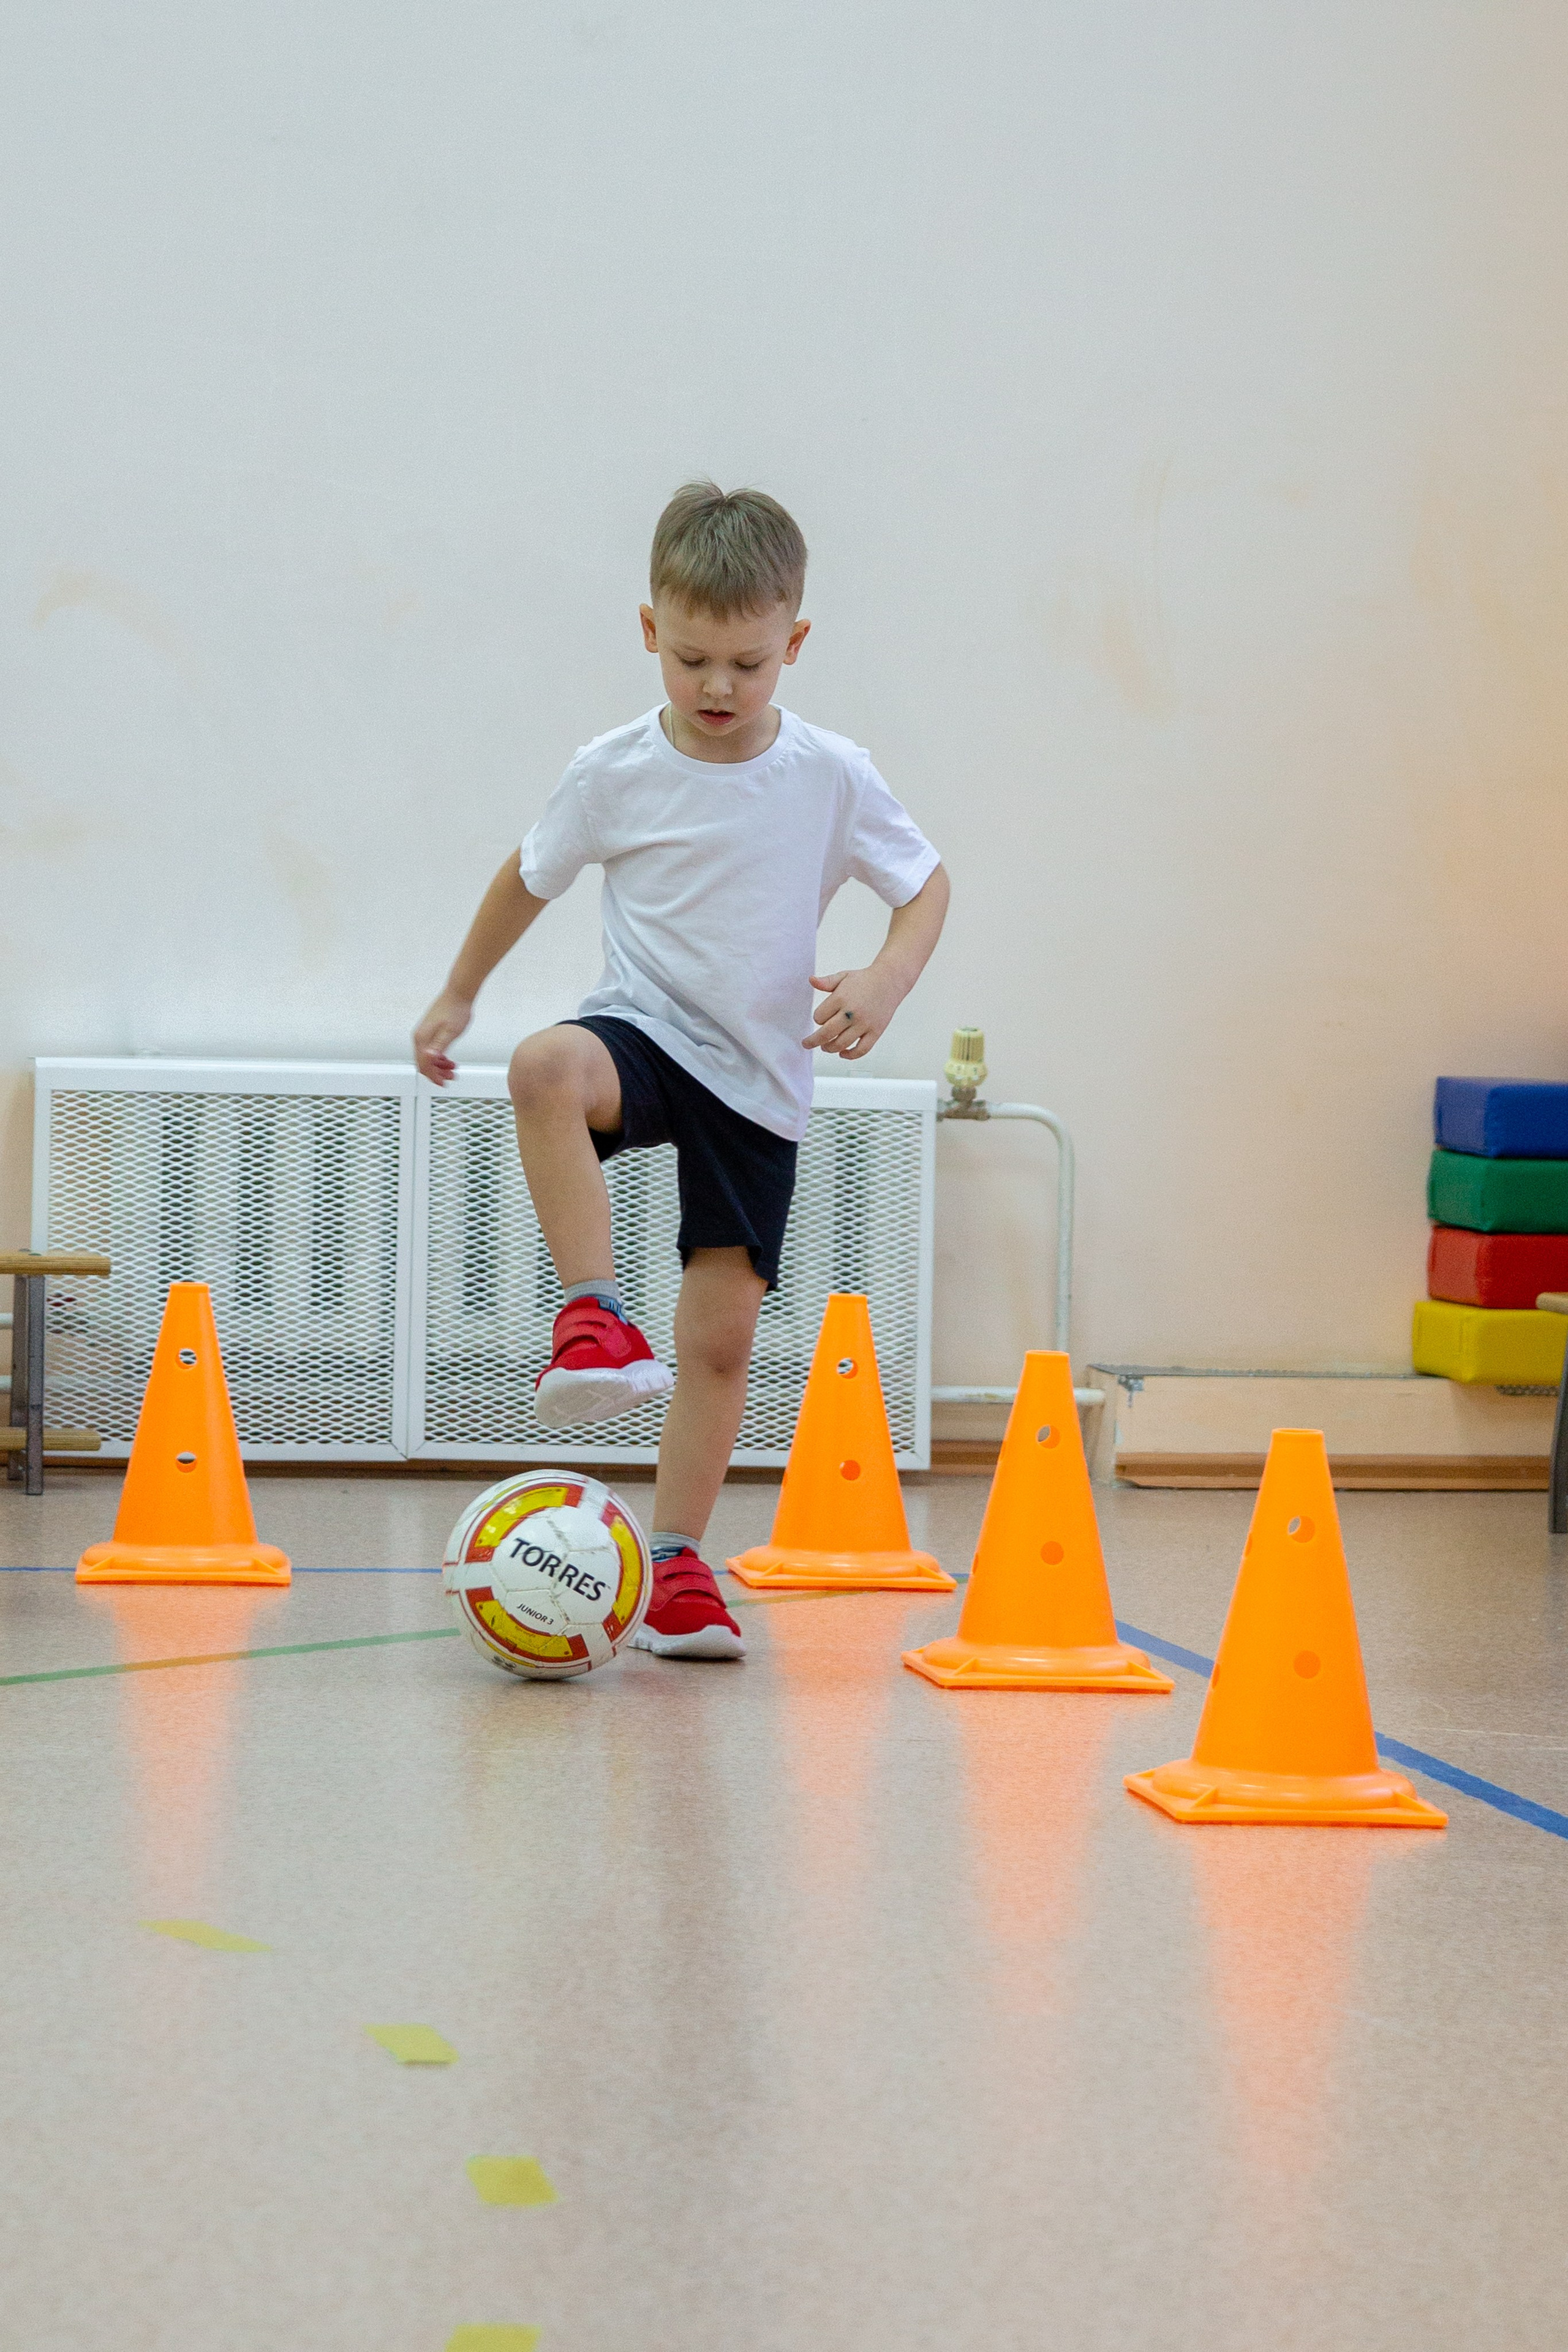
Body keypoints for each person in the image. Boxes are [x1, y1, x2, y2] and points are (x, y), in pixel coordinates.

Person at [413, 482, 949, 1660]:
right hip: (647, 1036)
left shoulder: (830, 773)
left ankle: (675, 1566)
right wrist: (460, 992)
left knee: (719, 1342)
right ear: (650, 629)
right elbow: (528, 876)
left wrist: (884, 980)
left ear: (793, 643)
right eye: (692, 657)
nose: (717, 686)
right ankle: (593, 1317)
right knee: (546, 1068)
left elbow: (924, 886)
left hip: (760, 1078)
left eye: (747, 664)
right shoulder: (614, 770)